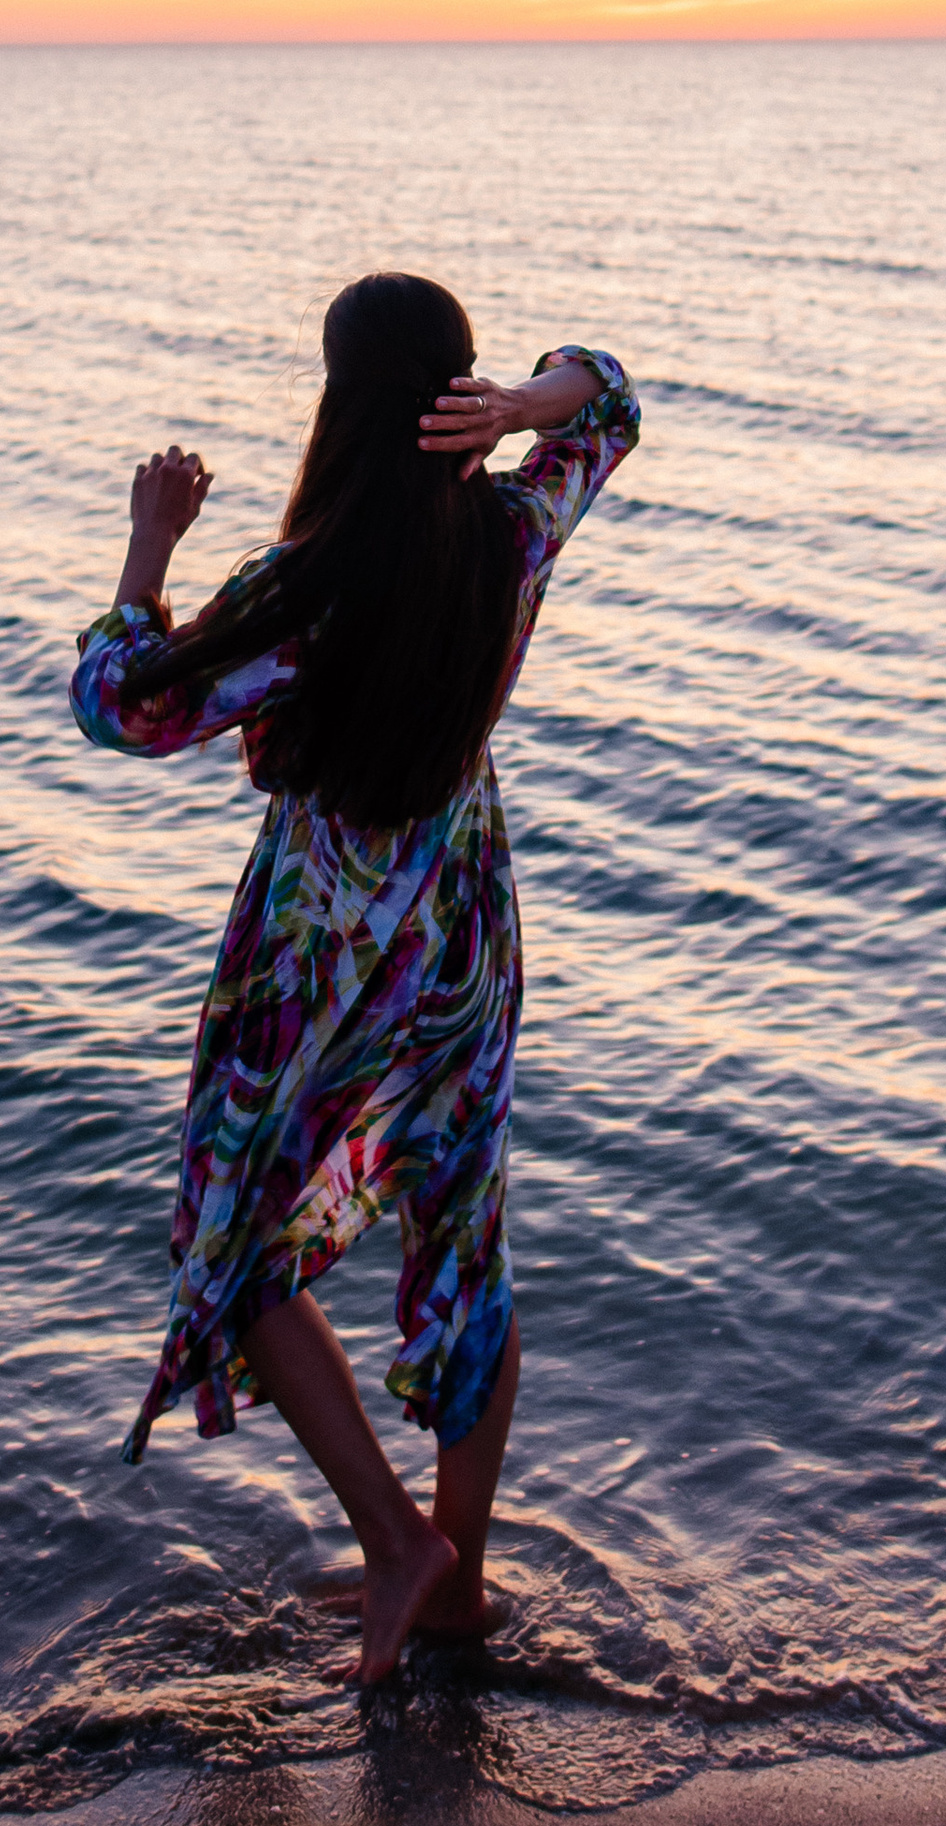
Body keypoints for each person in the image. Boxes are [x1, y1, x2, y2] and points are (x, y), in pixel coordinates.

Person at [69, 273, 639, 1684]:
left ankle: (400, 1545)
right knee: (464, 1240)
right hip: (460, 937)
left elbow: (129, 706)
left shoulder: (307, 584)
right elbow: (614, 392)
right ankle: (454, 1578)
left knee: (232, 1242)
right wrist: (529, 405)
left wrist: (146, 550)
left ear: (338, 400)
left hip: (317, 957)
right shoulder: (511, 529)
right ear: (456, 388)